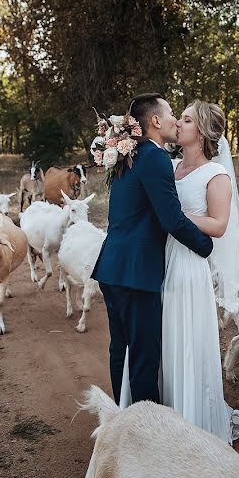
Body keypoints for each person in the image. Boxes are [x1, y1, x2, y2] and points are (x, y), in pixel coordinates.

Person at [120, 100, 239, 443]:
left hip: (188, 265)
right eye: (178, 117)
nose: (178, 123)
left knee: (182, 338)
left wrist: (174, 215)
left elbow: (220, 225)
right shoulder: (170, 164)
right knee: (155, 340)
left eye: (187, 119)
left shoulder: (216, 175)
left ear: (204, 131)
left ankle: (189, 422)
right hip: (158, 259)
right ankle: (153, 415)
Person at [91, 93, 213, 405]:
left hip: (111, 268)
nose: (175, 119)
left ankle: (121, 416)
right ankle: (146, 434)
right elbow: (172, 219)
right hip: (136, 274)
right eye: (172, 113)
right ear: (156, 121)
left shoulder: (128, 156)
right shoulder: (155, 157)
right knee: (144, 357)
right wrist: (205, 246)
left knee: (120, 349)